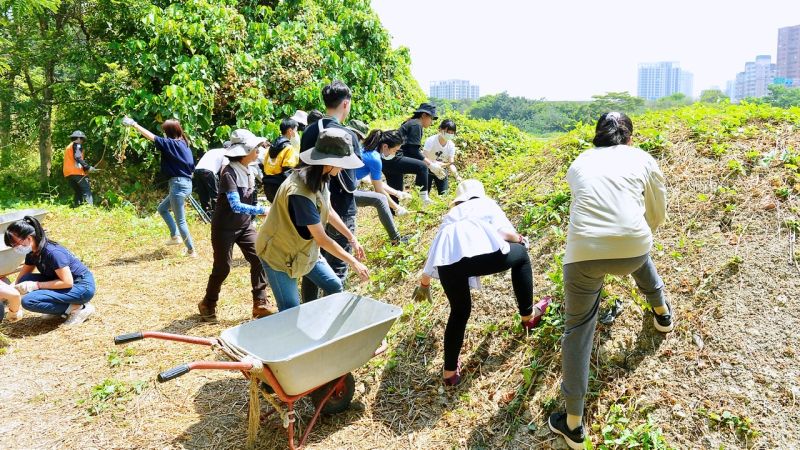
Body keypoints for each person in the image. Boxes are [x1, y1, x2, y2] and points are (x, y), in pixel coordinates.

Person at [547, 112, 671, 449]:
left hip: (585, 251)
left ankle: (573, 423)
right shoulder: (642, 158)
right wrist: (634, 236)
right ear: (630, 137)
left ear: (596, 137)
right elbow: (657, 213)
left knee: (578, 330)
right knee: (640, 256)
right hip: (633, 245)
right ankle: (662, 313)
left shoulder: (579, 163)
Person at [412, 180, 551, 386]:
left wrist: (424, 285)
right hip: (484, 257)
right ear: (480, 193)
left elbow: (435, 252)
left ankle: (449, 372)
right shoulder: (486, 204)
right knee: (521, 255)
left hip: (449, 264)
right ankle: (528, 317)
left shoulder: (451, 216)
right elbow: (505, 234)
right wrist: (521, 239)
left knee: (459, 311)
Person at [255, 124, 369, 311]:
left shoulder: (320, 177)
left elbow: (328, 210)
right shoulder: (300, 193)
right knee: (291, 309)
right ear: (329, 161)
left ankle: (321, 325)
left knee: (334, 286)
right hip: (278, 254)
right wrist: (354, 262)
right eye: (342, 164)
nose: (343, 169)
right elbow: (322, 240)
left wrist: (352, 238)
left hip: (304, 251)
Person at [198, 132, 278, 321]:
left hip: (244, 226)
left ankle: (260, 303)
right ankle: (208, 303)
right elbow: (235, 205)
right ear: (246, 151)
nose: (258, 151)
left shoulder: (248, 169)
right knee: (223, 268)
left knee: (260, 257)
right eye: (255, 148)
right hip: (224, 227)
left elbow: (251, 198)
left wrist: (255, 219)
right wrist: (262, 210)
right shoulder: (229, 172)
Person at [299, 81, 363, 286]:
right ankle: (332, 310)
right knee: (337, 267)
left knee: (312, 262)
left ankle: (310, 308)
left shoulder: (309, 131)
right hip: (340, 208)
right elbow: (351, 183)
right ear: (346, 104)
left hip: (310, 205)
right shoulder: (348, 136)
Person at [123, 116, 197, 257]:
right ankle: (174, 235)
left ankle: (191, 250)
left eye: (164, 131)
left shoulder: (171, 144)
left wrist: (134, 124)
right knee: (162, 208)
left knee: (181, 220)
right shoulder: (183, 143)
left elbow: (151, 136)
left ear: (168, 132)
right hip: (186, 184)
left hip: (178, 184)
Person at [5, 216, 96, 326]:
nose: (15, 248)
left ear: (29, 238)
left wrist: (36, 285)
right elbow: (22, 276)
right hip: (62, 281)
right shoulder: (33, 252)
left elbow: (67, 282)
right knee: (25, 279)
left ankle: (79, 308)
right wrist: (9, 291)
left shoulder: (53, 253)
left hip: (81, 287)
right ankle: (59, 309)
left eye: (15, 244)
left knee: (29, 301)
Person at [353, 128, 410, 244]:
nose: (395, 154)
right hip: (343, 192)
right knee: (380, 199)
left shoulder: (366, 150)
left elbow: (375, 182)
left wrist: (397, 193)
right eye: (395, 150)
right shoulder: (374, 159)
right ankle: (396, 240)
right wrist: (396, 208)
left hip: (341, 188)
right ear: (385, 146)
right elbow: (378, 190)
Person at [382, 103, 440, 204]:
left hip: (388, 161)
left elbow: (409, 150)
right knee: (422, 167)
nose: (431, 122)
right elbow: (413, 151)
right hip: (394, 158)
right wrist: (430, 165)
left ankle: (393, 213)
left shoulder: (413, 123)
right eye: (431, 118)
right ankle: (423, 198)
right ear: (424, 115)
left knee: (395, 195)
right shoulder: (416, 125)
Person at [262, 118, 301, 202]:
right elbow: (288, 171)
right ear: (290, 131)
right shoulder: (289, 148)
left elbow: (264, 165)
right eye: (296, 130)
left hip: (268, 186)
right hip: (280, 187)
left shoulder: (271, 147)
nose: (296, 133)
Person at [422, 119, 461, 195]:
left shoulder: (451, 145)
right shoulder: (431, 140)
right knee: (424, 194)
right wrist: (432, 164)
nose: (449, 134)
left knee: (444, 194)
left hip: (441, 171)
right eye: (447, 132)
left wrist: (457, 176)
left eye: (452, 133)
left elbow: (451, 163)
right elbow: (423, 157)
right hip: (427, 169)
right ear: (440, 129)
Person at [192, 146, 228, 217]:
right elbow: (223, 171)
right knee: (215, 195)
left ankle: (207, 215)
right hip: (208, 171)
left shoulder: (213, 150)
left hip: (197, 170)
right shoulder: (226, 153)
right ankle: (217, 216)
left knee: (203, 195)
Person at [63, 130, 95, 207]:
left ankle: (76, 206)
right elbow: (78, 157)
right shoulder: (77, 145)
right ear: (78, 138)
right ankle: (89, 207)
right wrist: (88, 167)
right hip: (76, 172)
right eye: (82, 139)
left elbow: (74, 160)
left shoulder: (69, 147)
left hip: (67, 173)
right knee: (86, 189)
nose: (82, 141)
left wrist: (86, 169)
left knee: (78, 191)